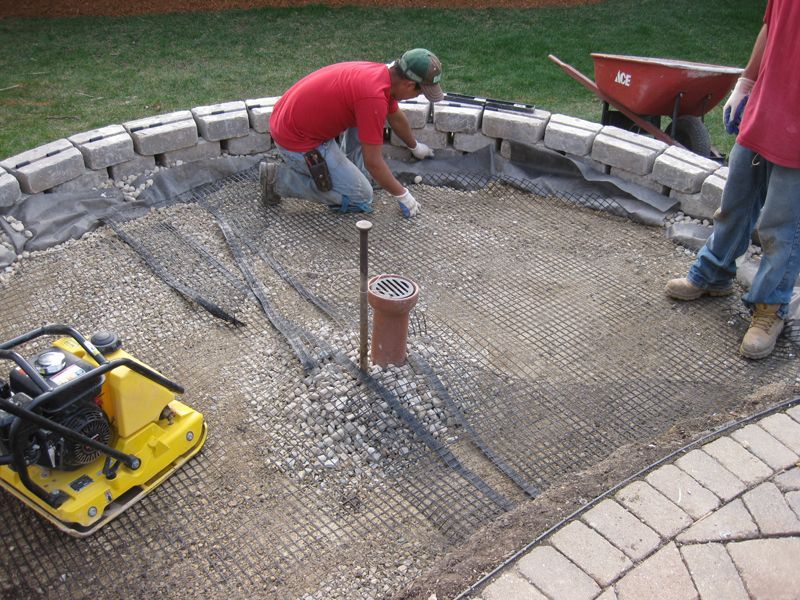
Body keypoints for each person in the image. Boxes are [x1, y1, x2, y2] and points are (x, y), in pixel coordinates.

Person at [665, 0, 800, 360]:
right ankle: (713, 274)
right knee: (734, 204)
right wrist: (747, 80)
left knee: (781, 226)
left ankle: (770, 310)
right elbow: (772, 26)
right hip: (766, 110)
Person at [260, 48, 443, 218]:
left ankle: (348, 172)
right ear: (409, 84)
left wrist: (415, 146)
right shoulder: (373, 97)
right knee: (361, 197)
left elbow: (395, 116)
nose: (417, 97)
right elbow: (373, 162)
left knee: (367, 120)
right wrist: (403, 195)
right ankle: (278, 179)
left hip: (295, 123)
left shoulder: (383, 76)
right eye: (419, 93)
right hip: (298, 142)